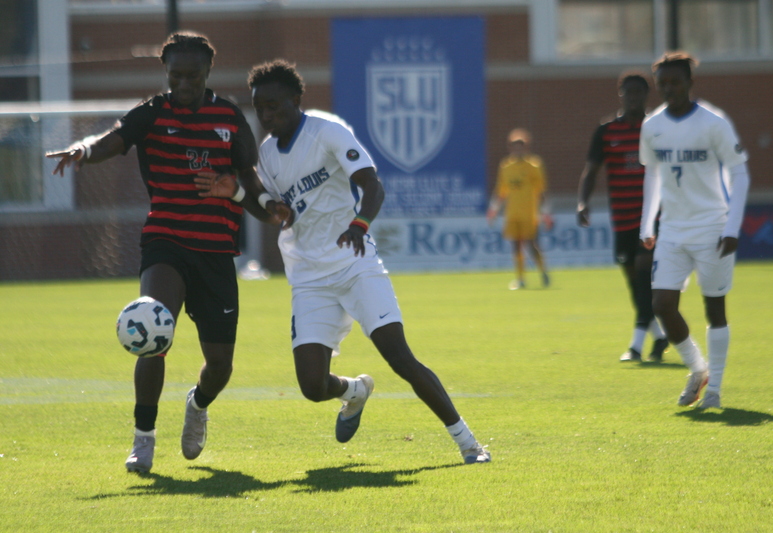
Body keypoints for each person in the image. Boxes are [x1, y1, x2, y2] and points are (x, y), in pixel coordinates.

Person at [195, 59, 491, 464]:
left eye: (275, 105)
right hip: (309, 279)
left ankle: (469, 443)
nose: (267, 115)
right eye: (260, 107)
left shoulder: (328, 132)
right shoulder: (266, 155)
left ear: (297, 100)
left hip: (355, 265)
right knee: (312, 386)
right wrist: (238, 196)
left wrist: (359, 223)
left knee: (400, 357)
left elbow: (372, 184)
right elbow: (278, 215)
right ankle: (355, 391)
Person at [46, 32, 286, 473]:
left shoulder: (230, 118)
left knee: (220, 366)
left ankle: (197, 405)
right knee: (152, 330)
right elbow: (114, 139)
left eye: (192, 76)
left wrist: (268, 209)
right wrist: (84, 150)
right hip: (166, 242)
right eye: (175, 75)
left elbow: (250, 185)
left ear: (207, 72)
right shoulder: (154, 113)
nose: (183, 84)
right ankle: (144, 438)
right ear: (167, 73)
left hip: (215, 251)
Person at [639, 52, 750, 409]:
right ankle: (697, 368)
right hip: (671, 230)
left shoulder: (713, 123)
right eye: (662, 83)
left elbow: (739, 172)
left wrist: (732, 225)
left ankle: (714, 390)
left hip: (712, 228)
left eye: (675, 82)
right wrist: (647, 223)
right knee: (662, 304)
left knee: (714, 309)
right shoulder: (652, 125)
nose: (668, 88)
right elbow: (653, 174)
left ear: (689, 83)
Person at [576, 72, 669, 363]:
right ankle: (660, 334)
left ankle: (636, 346)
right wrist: (582, 203)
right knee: (635, 281)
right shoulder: (607, 131)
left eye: (638, 93)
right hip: (622, 218)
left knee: (643, 272)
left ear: (646, 95)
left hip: (652, 217)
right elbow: (591, 170)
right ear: (621, 95)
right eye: (628, 93)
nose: (633, 98)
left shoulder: (657, 129)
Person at [486, 128, 552, 290]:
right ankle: (521, 278)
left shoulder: (534, 165)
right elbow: (501, 191)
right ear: (510, 147)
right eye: (515, 146)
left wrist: (546, 213)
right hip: (512, 213)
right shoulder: (506, 167)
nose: (518, 149)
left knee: (531, 244)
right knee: (516, 245)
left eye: (521, 145)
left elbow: (541, 191)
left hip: (529, 212)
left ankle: (543, 270)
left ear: (526, 147)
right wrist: (493, 210)